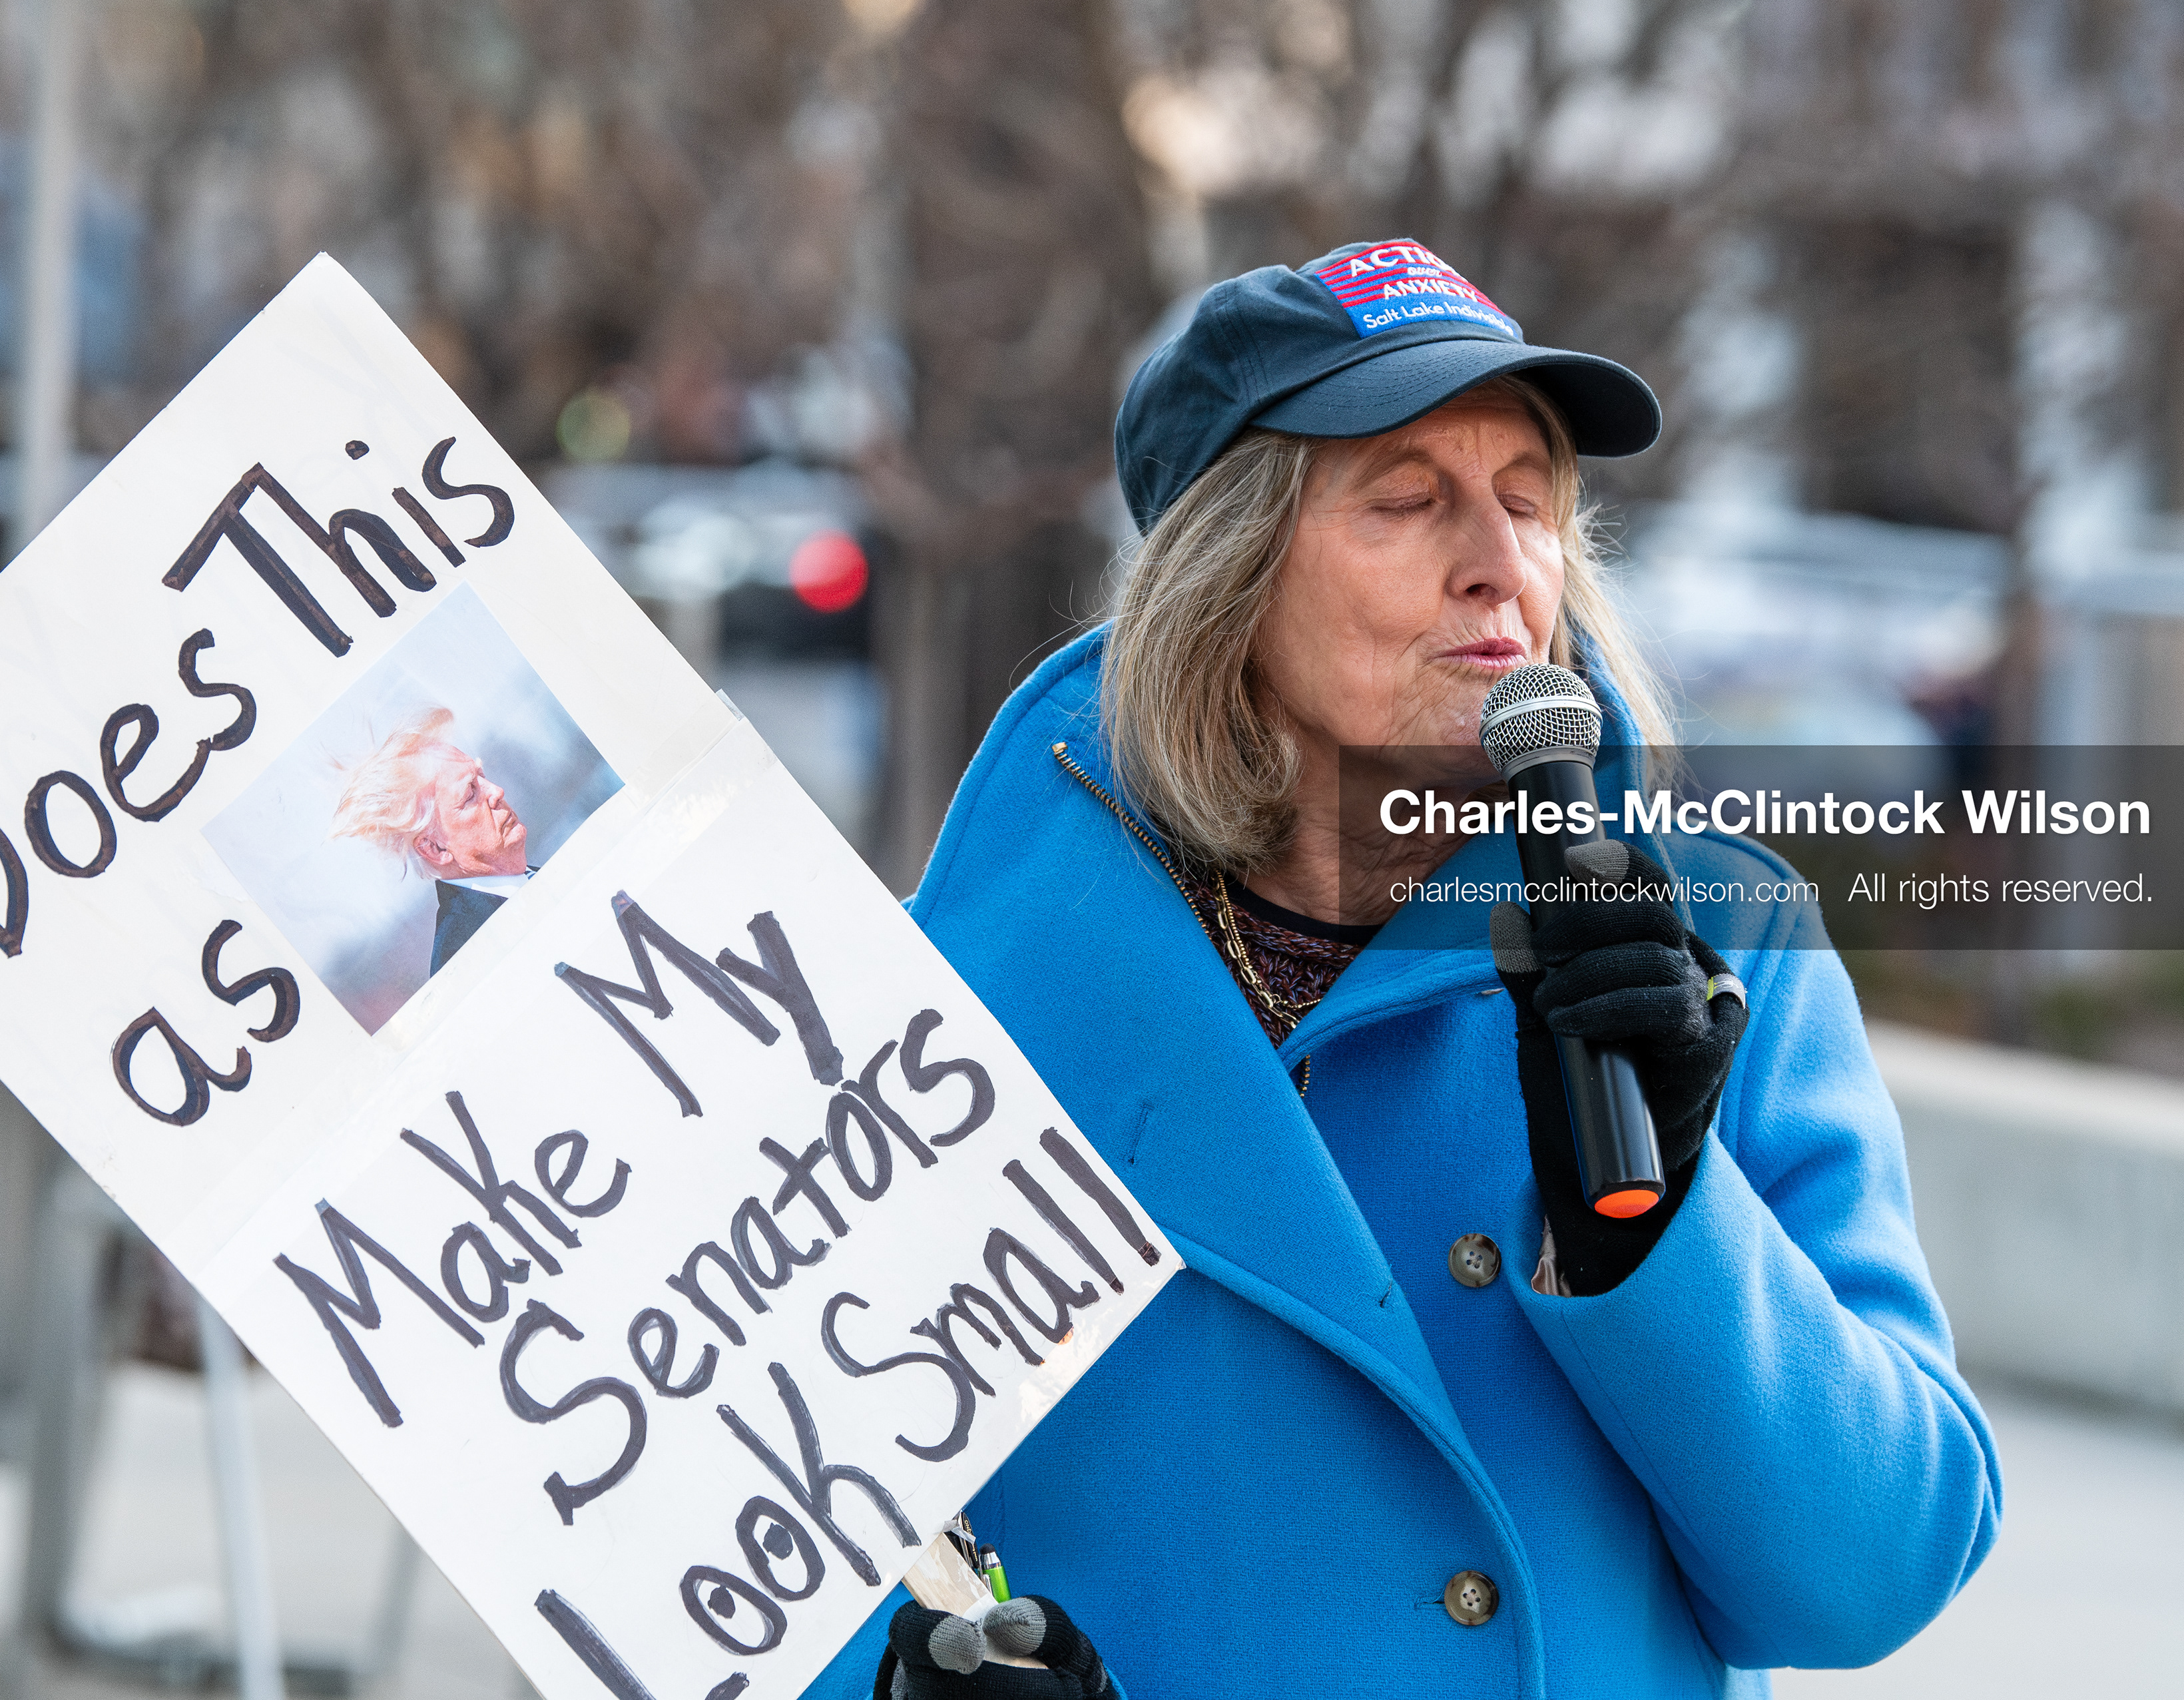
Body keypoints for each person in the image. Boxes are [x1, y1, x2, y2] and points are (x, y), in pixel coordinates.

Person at [812, 241, 2001, 1698]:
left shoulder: (1718, 946)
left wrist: (1655, 1227)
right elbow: (751, 1526)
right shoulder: (947, 999)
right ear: (1229, 577)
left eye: (1529, 499)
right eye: (1409, 496)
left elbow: (1867, 1578)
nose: (1500, 560)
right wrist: (891, 1676)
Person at [330, 707, 533, 973]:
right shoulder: (464, 962)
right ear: (435, 848)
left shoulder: (542, 879)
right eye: (470, 793)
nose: (497, 791)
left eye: (481, 777)